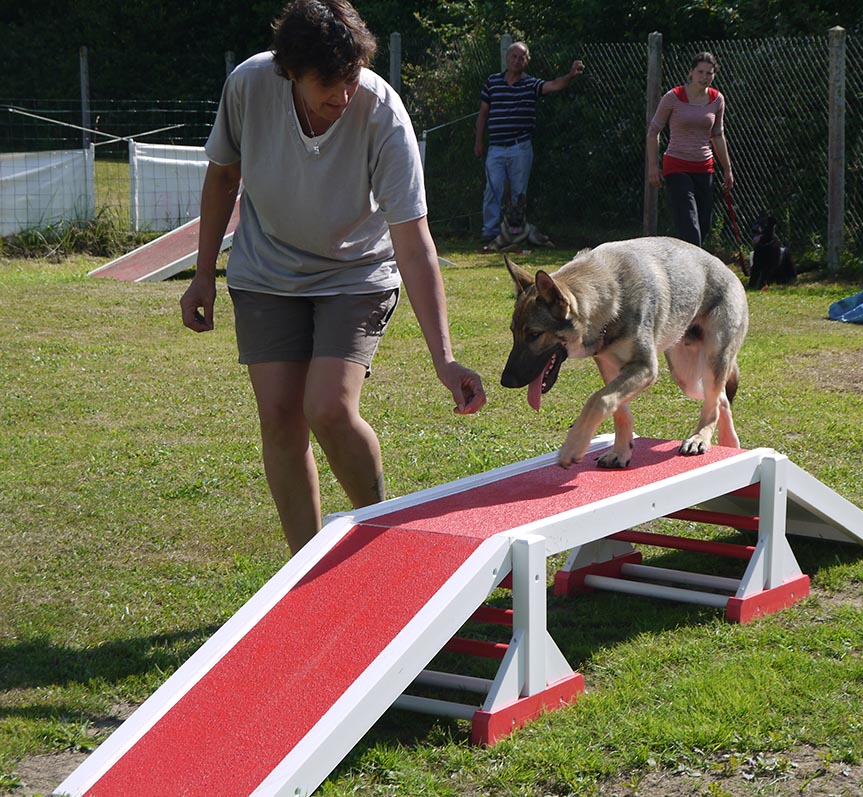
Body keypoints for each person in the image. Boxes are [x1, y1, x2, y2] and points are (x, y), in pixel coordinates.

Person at [179, 0, 486, 555]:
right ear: (289, 70)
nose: (343, 97)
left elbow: (414, 245)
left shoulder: (382, 113)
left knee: (328, 407)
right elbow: (223, 177)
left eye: (351, 80)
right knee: (279, 416)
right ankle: (306, 567)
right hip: (266, 272)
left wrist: (444, 359)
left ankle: (378, 534)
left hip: (356, 272)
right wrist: (203, 274)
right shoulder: (249, 86)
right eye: (328, 83)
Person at [475, 42, 584, 246]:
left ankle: (517, 234)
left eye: (522, 57)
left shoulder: (531, 84)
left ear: (527, 60)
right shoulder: (492, 82)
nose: (517, 60)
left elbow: (554, 85)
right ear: (507, 58)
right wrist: (478, 141)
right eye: (514, 56)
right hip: (496, 147)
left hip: (520, 147)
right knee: (493, 189)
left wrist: (570, 75)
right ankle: (489, 232)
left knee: (519, 193)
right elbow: (483, 114)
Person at [646, 51, 734, 248]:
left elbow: (718, 134)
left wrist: (727, 169)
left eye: (709, 73)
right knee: (690, 224)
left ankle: (686, 265)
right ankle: (696, 273)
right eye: (700, 72)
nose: (704, 77)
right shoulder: (673, 97)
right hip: (676, 165)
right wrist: (653, 166)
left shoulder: (717, 99)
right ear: (691, 73)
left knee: (704, 224)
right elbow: (653, 132)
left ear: (714, 75)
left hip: (704, 167)